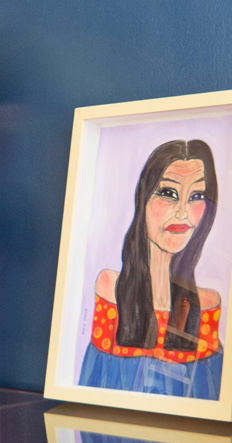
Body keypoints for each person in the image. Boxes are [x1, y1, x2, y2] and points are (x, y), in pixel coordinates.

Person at [79, 139, 223, 399]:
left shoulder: (207, 305)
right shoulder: (110, 289)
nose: (183, 213)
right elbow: (93, 387)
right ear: (143, 198)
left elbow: (211, 397)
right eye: (168, 193)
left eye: (196, 196)